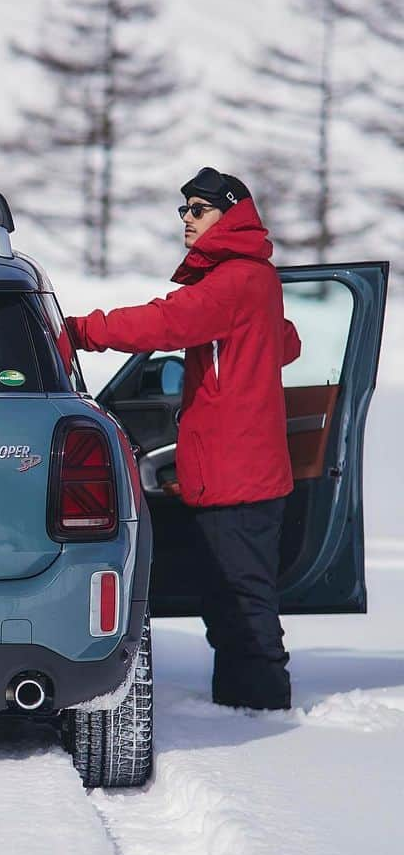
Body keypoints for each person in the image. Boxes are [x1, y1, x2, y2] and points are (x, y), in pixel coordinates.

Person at [64, 167, 301, 711]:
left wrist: (80, 332)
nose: (188, 219)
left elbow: (166, 324)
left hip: (238, 473)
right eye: (185, 210)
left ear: (231, 215)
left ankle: (259, 709)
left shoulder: (236, 280)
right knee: (228, 597)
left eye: (200, 209)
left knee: (241, 601)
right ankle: (245, 701)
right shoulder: (252, 282)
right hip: (235, 468)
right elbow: (286, 343)